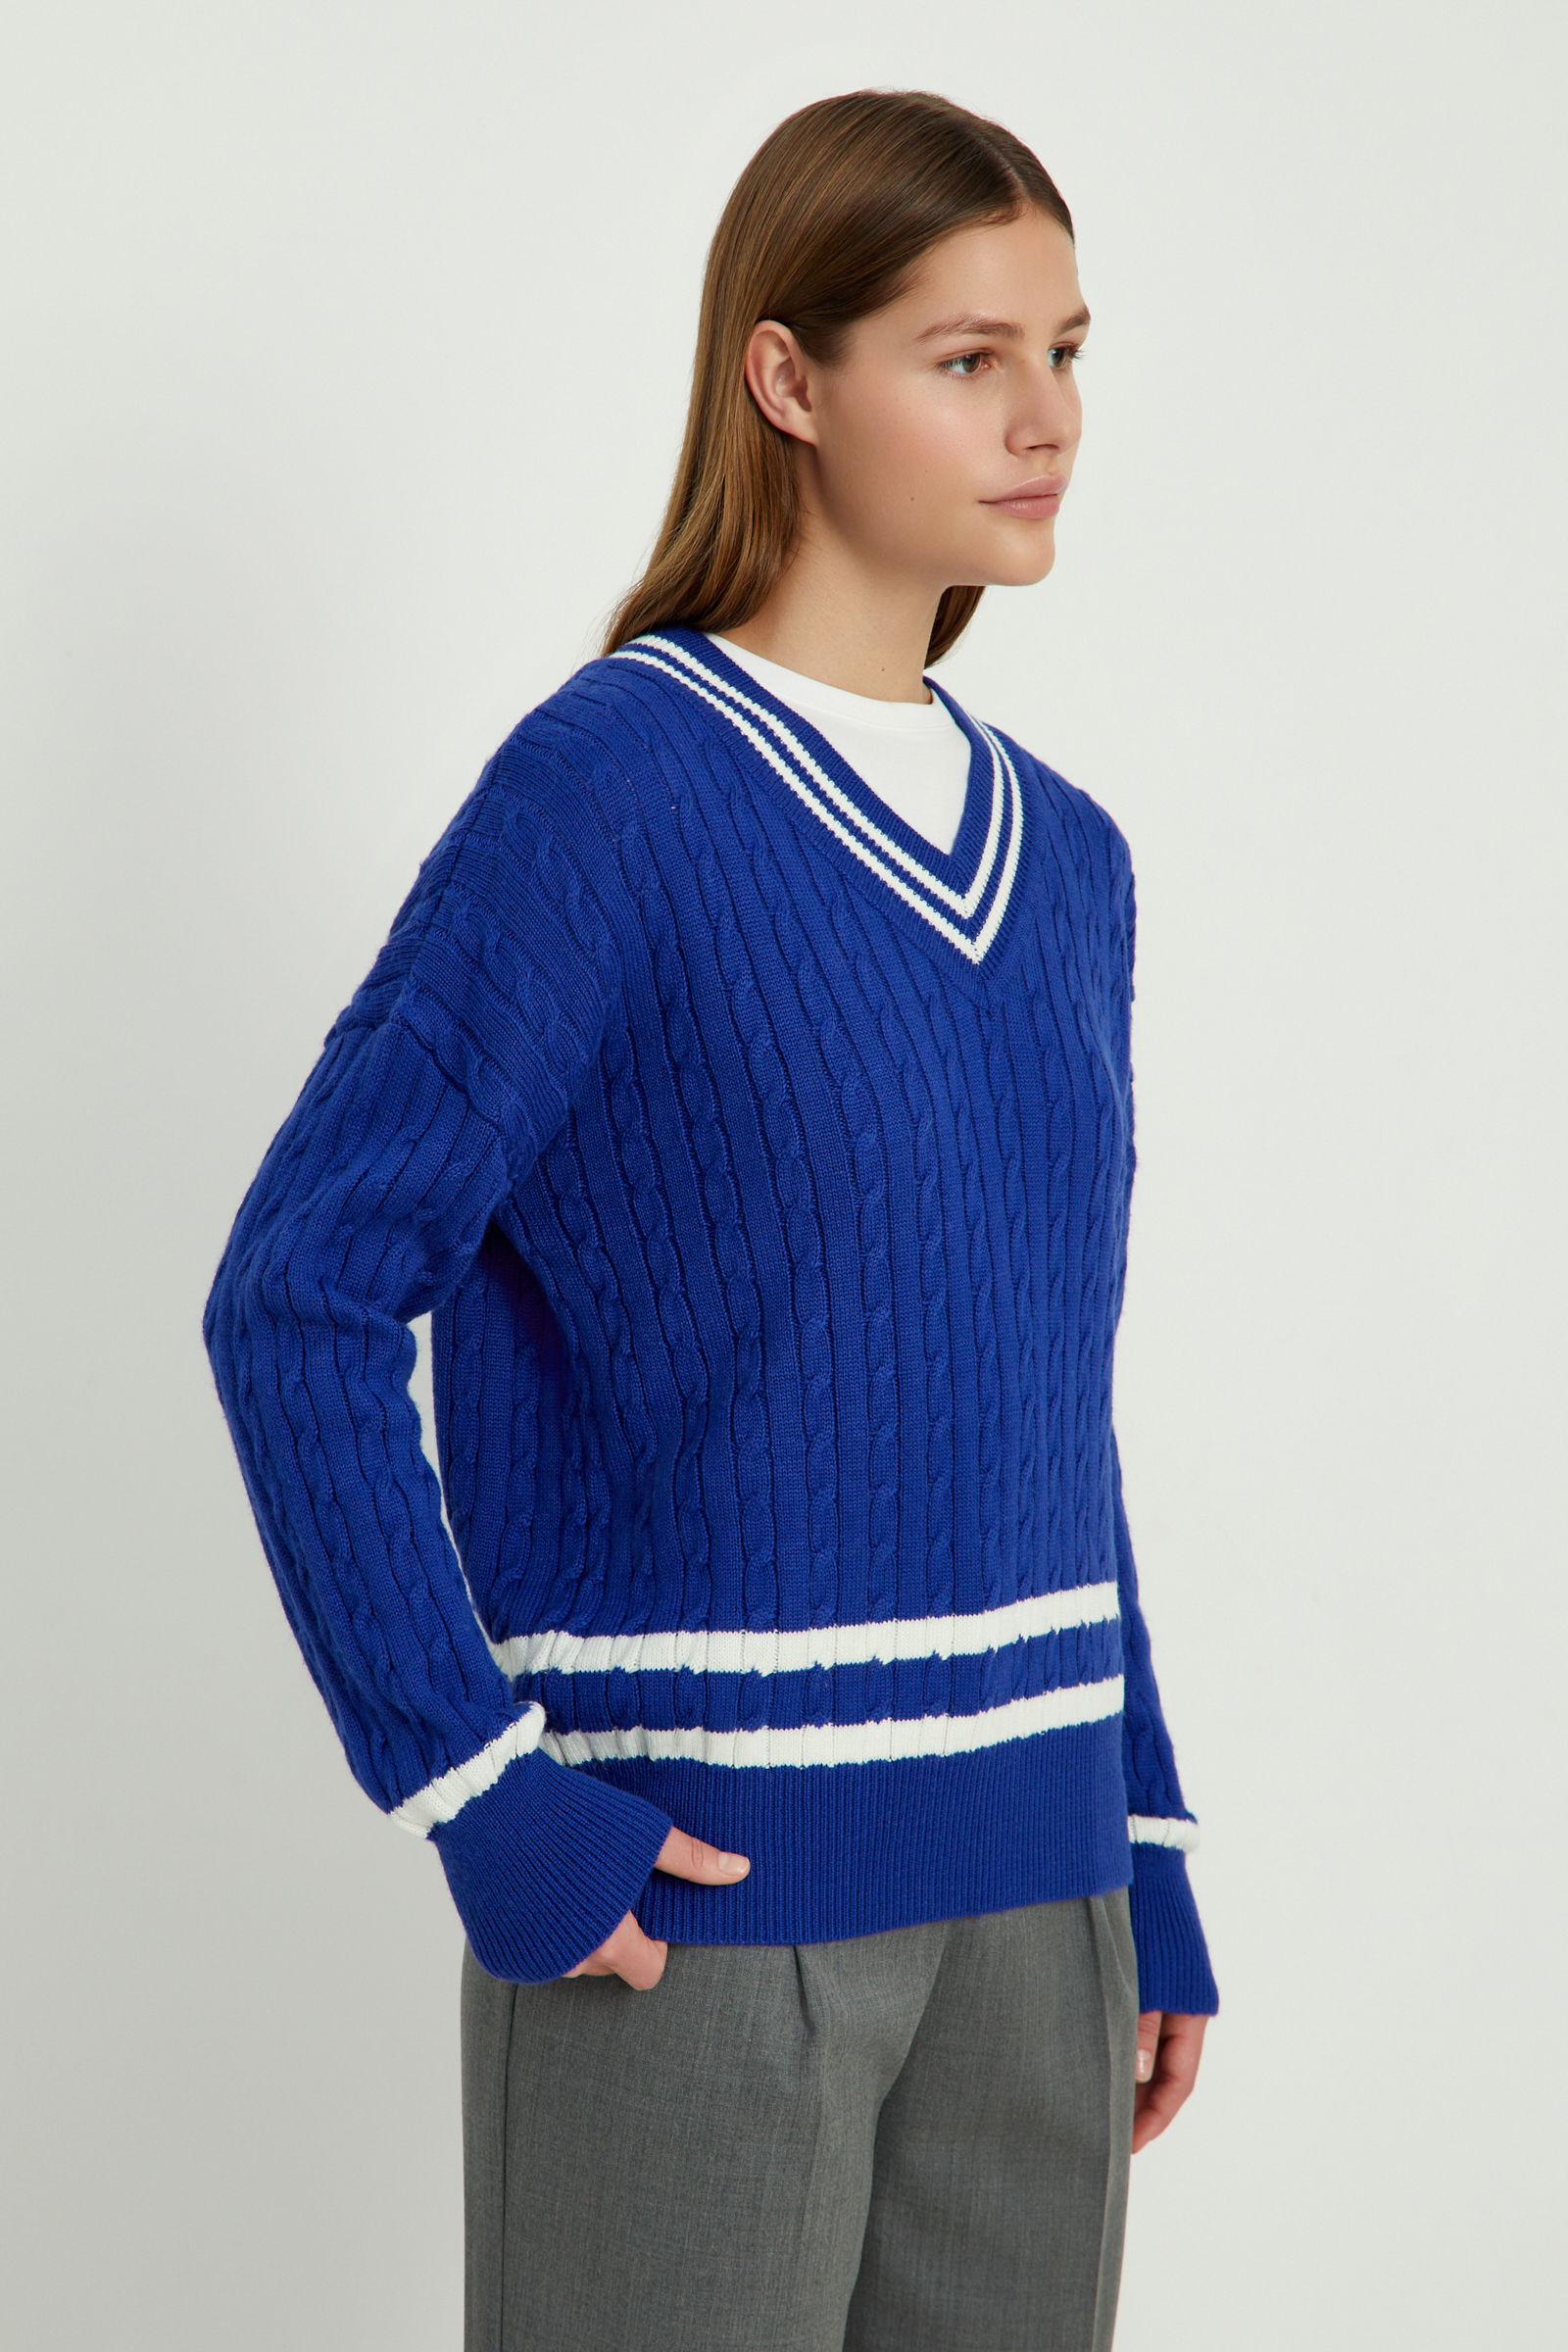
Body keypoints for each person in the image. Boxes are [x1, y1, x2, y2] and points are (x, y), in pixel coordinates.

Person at [203, 86, 1218, 2352]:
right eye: (965, 357)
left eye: (1065, 350)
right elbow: (294, 1295)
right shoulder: (610, 793)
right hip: (698, 1897)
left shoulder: (1070, 866)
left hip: (1039, 1911)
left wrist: (1140, 1836)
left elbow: (1036, 1388)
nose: (1045, 417)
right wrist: (479, 1790)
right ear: (788, 378)